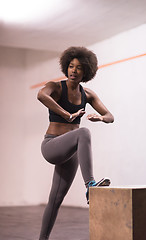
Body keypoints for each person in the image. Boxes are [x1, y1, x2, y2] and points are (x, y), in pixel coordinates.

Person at [37, 46, 114, 240]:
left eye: (79, 68)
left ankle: (42, 238)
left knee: (55, 200)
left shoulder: (87, 94)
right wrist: (66, 114)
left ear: (86, 71)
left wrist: (100, 118)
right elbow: (41, 95)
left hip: (71, 153)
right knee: (83, 132)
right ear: (66, 67)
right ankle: (90, 186)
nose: (74, 71)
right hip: (52, 146)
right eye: (71, 66)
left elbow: (110, 116)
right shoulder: (55, 87)